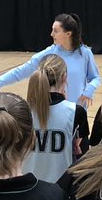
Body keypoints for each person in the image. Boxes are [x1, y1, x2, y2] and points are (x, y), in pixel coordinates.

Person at [0, 13, 101, 108]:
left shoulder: (85, 53)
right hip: (55, 112)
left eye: (56, 31)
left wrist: (89, 90)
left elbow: (95, 77)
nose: (51, 34)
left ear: (68, 34)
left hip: (78, 111)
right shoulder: (49, 53)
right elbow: (21, 71)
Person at [24, 55, 89, 184]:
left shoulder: (23, 111)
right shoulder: (76, 111)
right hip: (61, 190)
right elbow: (83, 155)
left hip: (27, 187)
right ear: (64, 77)